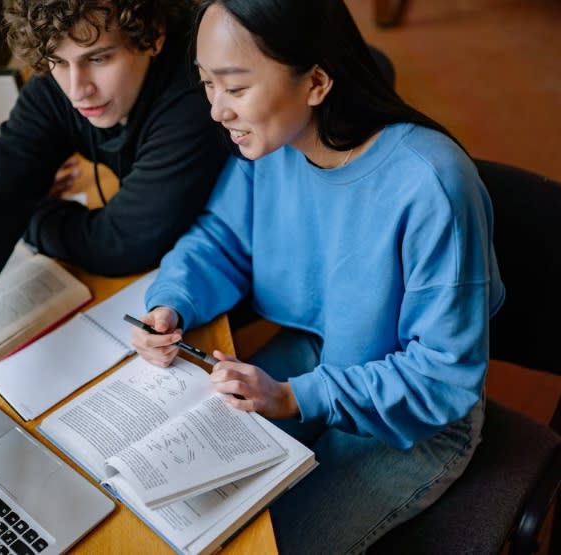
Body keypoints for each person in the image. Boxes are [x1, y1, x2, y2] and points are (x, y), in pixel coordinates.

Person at [130, 1, 505, 553]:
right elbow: (221, 240)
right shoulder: (270, 146)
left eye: (234, 88)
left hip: (417, 418)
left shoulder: (432, 184)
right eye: (207, 84)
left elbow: (442, 377)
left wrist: (295, 398)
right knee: (173, 494)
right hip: (316, 352)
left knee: (268, 541)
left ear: (317, 82)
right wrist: (173, 301)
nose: (216, 111)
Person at [0, 0, 228, 468]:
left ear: (154, 35)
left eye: (99, 58)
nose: (78, 88)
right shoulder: (62, 89)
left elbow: (119, 243)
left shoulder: (192, 90)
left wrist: (30, 207)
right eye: (58, 62)